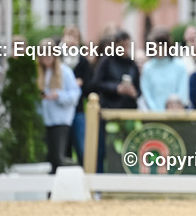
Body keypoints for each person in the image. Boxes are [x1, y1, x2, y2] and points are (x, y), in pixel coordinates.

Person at [90, 30, 141, 172]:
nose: (125, 49)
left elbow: (139, 89)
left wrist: (133, 92)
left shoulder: (132, 64)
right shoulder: (106, 61)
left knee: (127, 150)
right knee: (104, 149)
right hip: (109, 112)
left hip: (128, 113)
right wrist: (116, 88)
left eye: (127, 45)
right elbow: (96, 83)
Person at [36, 38, 81, 174]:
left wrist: (59, 96)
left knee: (57, 157)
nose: (46, 58)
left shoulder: (64, 72)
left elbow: (75, 94)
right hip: (44, 120)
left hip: (60, 120)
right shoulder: (39, 73)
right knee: (46, 157)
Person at [61, 25, 92, 164]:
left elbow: (88, 87)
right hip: (60, 109)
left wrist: (80, 84)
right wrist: (74, 83)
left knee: (81, 147)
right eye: (69, 36)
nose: (72, 40)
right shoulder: (57, 59)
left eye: (75, 38)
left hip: (77, 109)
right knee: (62, 148)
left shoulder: (83, 62)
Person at [140, 28, 189, 111]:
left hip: (175, 115)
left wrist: (173, 110)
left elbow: (182, 92)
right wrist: (156, 111)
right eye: (153, 47)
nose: (156, 50)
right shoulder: (147, 68)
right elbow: (147, 94)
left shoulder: (180, 66)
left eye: (160, 47)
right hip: (153, 116)